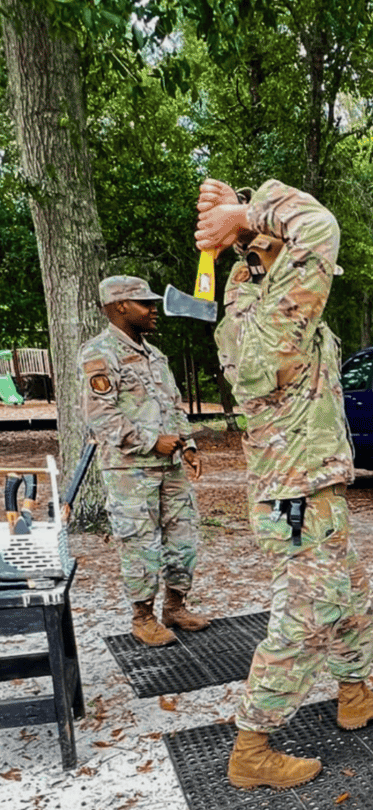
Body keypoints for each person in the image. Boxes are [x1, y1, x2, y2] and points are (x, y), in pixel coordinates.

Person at [195, 178, 373, 790]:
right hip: (295, 495)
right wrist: (241, 215)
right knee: (305, 616)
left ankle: (354, 693)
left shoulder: (250, 297)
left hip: (310, 488)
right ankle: (252, 746)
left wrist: (234, 219)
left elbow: (280, 245)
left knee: (350, 597)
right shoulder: (270, 318)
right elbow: (318, 227)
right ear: (273, 253)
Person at [78, 276, 206, 646]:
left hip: (171, 466)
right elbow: (101, 417)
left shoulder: (155, 354)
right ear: (119, 306)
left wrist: (188, 444)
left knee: (183, 539)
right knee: (139, 543)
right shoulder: (99, 353)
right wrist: (153, 442)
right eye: (144, 304)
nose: (153, 310)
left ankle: (176, 607)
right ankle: (143, 617)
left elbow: (173, 404)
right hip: (130, 470)